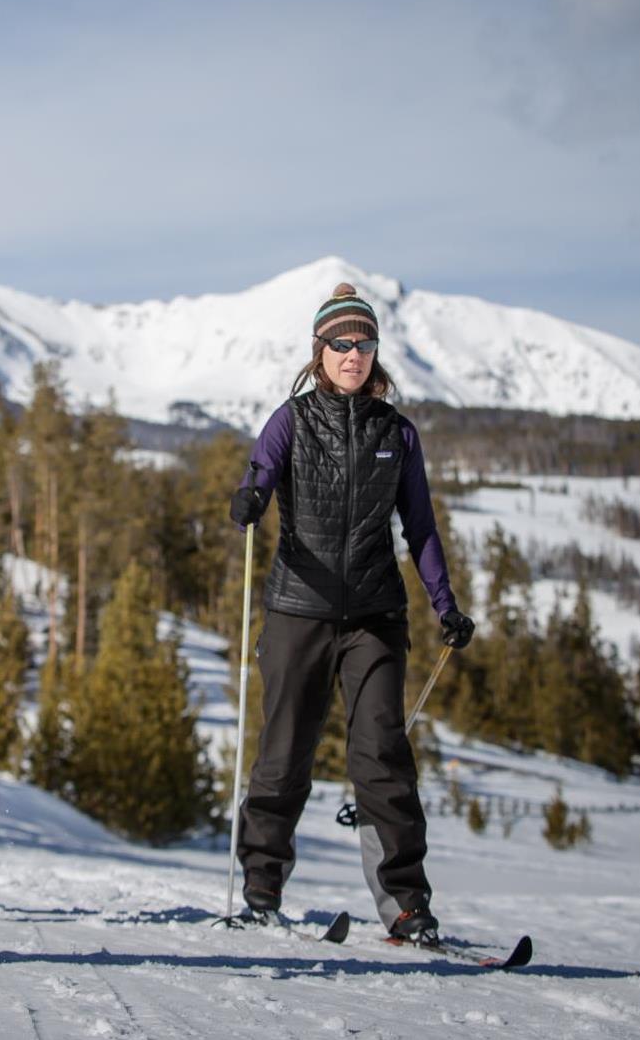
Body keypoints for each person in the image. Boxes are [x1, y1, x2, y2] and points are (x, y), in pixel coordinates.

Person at [227, 282, 475, 941]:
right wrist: (249, 499)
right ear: (319, 350)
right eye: (341, 342)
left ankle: (404, 906)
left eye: (364, 343)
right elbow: (259, 470)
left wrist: (444, 605)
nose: (353, 353)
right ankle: (260, 889)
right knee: (282, 755)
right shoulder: (291, 418)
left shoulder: (396, 432)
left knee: (381, 757)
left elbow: (419, 527)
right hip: (296, 611)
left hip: (373, 616)